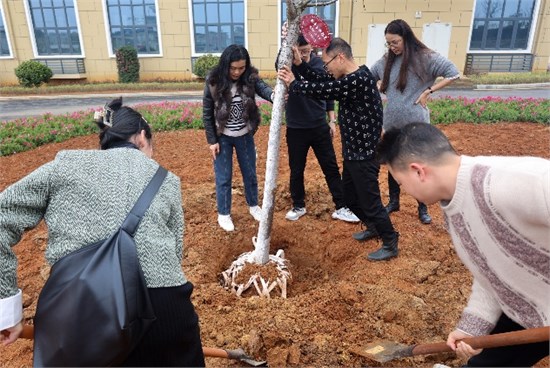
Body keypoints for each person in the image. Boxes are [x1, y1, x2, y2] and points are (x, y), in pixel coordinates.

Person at [0, 98, 205, 367]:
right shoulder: (166, 180)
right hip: (164, 310)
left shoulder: (62, 167)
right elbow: (174, 252)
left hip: (80, 311)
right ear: (143, 137)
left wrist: (7, 311)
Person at [377, 122, 550, 366]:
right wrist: (473, 327)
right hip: (529, 310)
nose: (404, 191)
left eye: (401, 183)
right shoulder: (455, 207)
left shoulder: (509, 183)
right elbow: (492, 271)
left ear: (419, 171)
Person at [278, 37, 399, 261]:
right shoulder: (349, 78)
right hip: (353, 153)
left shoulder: (360, 79)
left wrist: (295, 82)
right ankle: (373, 227)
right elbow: (322, 80)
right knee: (351, 200)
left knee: (371, 202)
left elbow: (325, 90)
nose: (326, 68)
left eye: (327, 63)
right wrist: (300, 65)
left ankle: (390, 240)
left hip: (365, 154)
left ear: (340, 57)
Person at [370, 18, 460, 225]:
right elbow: (369, 74)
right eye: (389, 43)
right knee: (394, 160)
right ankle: (394, 201)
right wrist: (374, 85)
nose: (392, 47)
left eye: (395, 42)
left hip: (416, 123)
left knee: (419, 162)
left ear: (406, 38)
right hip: (391, 121)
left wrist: (429, 91)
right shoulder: (387, 60)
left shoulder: (424, 58)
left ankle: (423, 207)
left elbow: (453, 73)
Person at [276, 34, 359, 223]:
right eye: (301, 51)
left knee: (330, 167)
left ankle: (341, 205)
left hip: (318, 125)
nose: (305, 55)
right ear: (294, 48)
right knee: (296, 169)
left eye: (308, 51)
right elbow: (278, 63)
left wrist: (331, 120)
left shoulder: (319, 64)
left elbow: (329, 92)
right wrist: (285, 43)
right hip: (296, 127)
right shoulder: (287, 63)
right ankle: (298, 205)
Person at [203, 44, 273, 232]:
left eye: (241, 68)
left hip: (244, 135)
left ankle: (253, 206)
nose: (236, 72)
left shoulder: (250, 78)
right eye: (233, 68)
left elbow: (263, 88)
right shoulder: (214, 81)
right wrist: (212, 141)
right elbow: (207, 112)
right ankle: (224, 214)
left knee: (250, 173)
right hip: (222, 137)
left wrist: (275, 95)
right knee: (224, 177)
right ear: (225, 65)